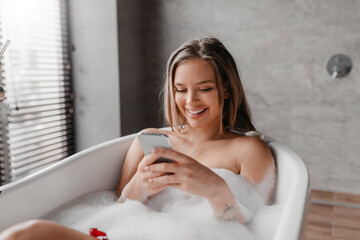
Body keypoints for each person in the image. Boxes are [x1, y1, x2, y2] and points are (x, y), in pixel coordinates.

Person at [0, 37, 275, 240]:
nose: (190, 101)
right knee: (23, 235)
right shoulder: (150, 140)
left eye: (204, 88)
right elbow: (118, 210)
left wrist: (216, 189)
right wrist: (138, 187)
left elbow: (257, 231)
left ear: (226, 90)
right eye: (180, 89)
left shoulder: (249, 150)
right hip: (124, 233)